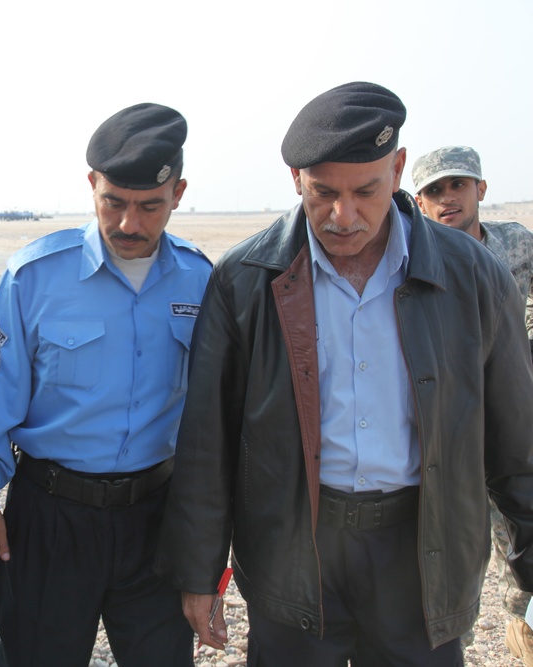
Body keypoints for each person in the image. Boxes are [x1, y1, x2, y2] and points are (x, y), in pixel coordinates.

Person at [155, 81, 533, 665]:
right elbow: (208, 440)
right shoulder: (245, 279)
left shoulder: (474, 278)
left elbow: (518, 442)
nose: (344, 215)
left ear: (399, 168)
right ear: (295, 180)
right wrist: (200, 570)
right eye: (323, 192)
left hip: (421, 554)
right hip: (292, 554)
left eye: (366, 191)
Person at [0, 103, 211, 666]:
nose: (128, 225)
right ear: (91, 184)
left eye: (150, 207)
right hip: (50, 517)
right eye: (113, 202)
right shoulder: (35, 276)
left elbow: (213, 414)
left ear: (179, 193)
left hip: (155, 519)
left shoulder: (201, 278)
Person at [412, 145, 533, 664]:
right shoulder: (413, 254)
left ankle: (522, 624)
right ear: (418, 201)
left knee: (523, 531)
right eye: (434, 191)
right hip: (450, 430)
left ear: (480, 190)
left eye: (457, 186)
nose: (448, 199)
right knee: (446, 555)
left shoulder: (516, 245)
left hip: (508, 418)